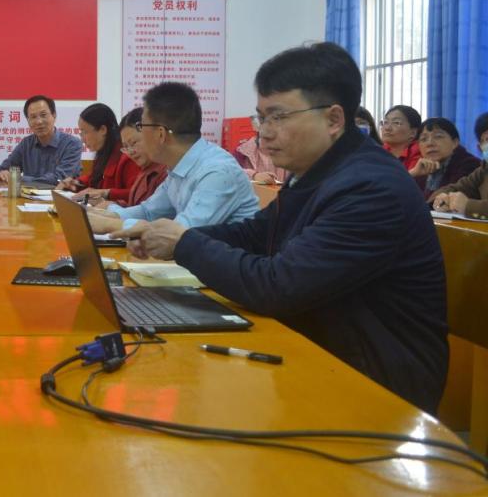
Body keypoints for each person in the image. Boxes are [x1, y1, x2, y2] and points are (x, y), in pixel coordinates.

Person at [113, 42, 448, 414]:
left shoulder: (371, 188)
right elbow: (257, 234)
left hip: (375, 382)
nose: (264, 134)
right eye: (261, 118)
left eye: (278, 117)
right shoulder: (316, 172)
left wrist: (184, 244)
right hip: (316, 348)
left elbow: (278, 286)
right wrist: (170, 239)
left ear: (333, 119)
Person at [87, 83, 258, 234]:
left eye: (141, 126)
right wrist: (102, 215)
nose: (141, 134)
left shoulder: (217, 172)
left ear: (160, 134)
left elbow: (182, 233)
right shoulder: (178, 168)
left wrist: (110, 225)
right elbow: (149, 212)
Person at [0, 95, 83, 185]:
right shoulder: (26, 144)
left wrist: (17, 178)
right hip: (27, 196)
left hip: (59, 195)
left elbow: (60, 178)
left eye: (43, 115)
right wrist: (0, 175)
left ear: (54, 115)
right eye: (33, 117)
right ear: (28, 121)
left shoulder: (72, 144)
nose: (39, 121)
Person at [56, 103, 140, 202]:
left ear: (103, 130)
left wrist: (106, 193)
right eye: (81, 133)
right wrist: (76, 183)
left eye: (85, 132)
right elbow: (95, 179)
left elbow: (137, 194)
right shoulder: (104, 152)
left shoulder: (127, 155)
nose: (82, 139)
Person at [91, 108, 167, 208]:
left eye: (134, 143)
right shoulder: (145, 170)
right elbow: (136, 206)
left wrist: (113, 207)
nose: (131, 152)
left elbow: (150, 213)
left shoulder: (166, 173)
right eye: (126, 146)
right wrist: (113, 205)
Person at [431, 111, 488, 219]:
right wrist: (443, 198)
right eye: (486, 140)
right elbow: (457, 187)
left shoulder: (467, 163)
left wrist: (468, 206)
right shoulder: (484, 170)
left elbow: (467, 205)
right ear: (480, 148)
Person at [409, 118, 481, 199]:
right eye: (424, 139)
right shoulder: (422, 168)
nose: (430, 143)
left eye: (438, 137)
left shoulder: (470, 165)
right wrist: (412, 173)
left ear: (455, 142)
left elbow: (446, 199)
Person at [380, 104, 422, 170]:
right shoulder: (381, 150)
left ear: (413, 133)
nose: (387, 128)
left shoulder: (418, 152)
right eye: (385, 122)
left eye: (396, 123)